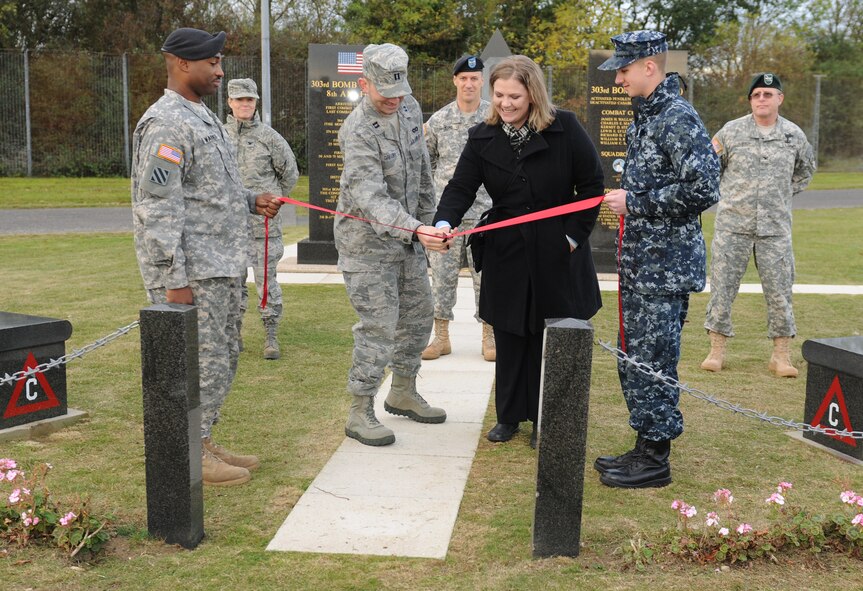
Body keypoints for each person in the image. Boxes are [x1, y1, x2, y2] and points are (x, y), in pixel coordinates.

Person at [131, 28, 283, 486]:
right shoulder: (166, 124)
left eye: (219, 62)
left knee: (224, 357)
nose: (220, 71)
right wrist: (173, 279)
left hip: (222, 265)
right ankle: (188, 451)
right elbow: (157, 207)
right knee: (200, 364)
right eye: (212, 63)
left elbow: (209, 189)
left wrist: (251, 199)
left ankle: (202, 437)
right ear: (182, 63)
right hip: (193, 273)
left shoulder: (202, 116)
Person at [433, 55, 604, 449]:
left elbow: (592, 185)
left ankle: (549, 419)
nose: (505, 103)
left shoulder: (566, 127)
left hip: (557, 249)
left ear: (533, 94)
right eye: (499, 95)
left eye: (514, 96)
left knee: (553, 337)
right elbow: (461, 187)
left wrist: (572, 238)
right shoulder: (482, 136)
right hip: (507, 251)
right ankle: (508, 417)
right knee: (509, 335)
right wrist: (444, 222)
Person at [595, 30, 720, 488]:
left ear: (650, 66)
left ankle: (655, 458)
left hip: (665, 268)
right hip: (640, 264)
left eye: (624, 70)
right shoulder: (646, 117)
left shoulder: (675, 117)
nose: (618, 79)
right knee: (635, 358)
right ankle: (644, 444)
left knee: (654, 360)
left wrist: (637, 203)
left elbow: (705, 188)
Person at [335, 43, 450, 447]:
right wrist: (416, 229)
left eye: (400, 91)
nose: (394, 100)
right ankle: (360, 410)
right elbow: (371, 199)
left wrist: (432, 223)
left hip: (409, 240)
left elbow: (422, 171)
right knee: (378, 327)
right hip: (366, 246)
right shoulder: (357, 131)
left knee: (419, 318)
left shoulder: (409, 108)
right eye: (386, 92)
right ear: (364, 83)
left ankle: (402, 391)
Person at [701, 73, 816, 378]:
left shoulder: (793, 135)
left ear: (780, 98)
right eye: (756, 95)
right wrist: (732, 196)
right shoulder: (731, 132)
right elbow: (710, 167)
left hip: (775, 229)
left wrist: (779, 195)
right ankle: (716, 351)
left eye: (768, 94)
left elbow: (806, 170)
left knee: (780, 292)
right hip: (732, 226)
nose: (762, 99)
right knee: (722, 289)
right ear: (750, 101)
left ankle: (781, 356)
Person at [422, 55, 495, 363]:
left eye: (474, 78)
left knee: (487, 277)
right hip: (447, 218)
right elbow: (427, 163)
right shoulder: (439, 120)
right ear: (455, 80)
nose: (468, 84)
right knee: (441, 278)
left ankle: (490, 336)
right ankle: (441, 337)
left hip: (485, 213)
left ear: (482, 81)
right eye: (463, 78)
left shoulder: (494, 117)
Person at [224, 78, 299, 361]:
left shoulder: (270, 138)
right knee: (232, 284)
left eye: (250, 100)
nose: (245, 104)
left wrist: (273, 202)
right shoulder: (218, 136)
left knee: (266, 284)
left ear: (256, 102)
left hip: (263, 228)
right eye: (239, 99)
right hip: (228, 227)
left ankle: (270, 335)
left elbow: (289, 174)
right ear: (230, 102)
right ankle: (234, 334)